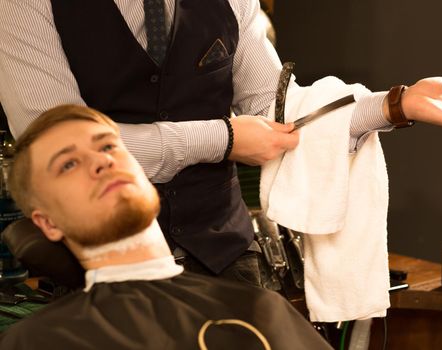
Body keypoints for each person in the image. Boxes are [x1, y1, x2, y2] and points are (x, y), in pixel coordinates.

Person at [0, 0, 442, 286]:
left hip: (223, 255)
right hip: (96, 266)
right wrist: (221, 138)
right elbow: (54, 143)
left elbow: (278, 113)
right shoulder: (26, 5)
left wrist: (396, 105)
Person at [0, 104, 332, 349]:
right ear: (48, 223)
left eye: (108, 146)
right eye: (68, 163)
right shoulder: (39, 341)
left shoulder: (260, 312)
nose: (102, 161)